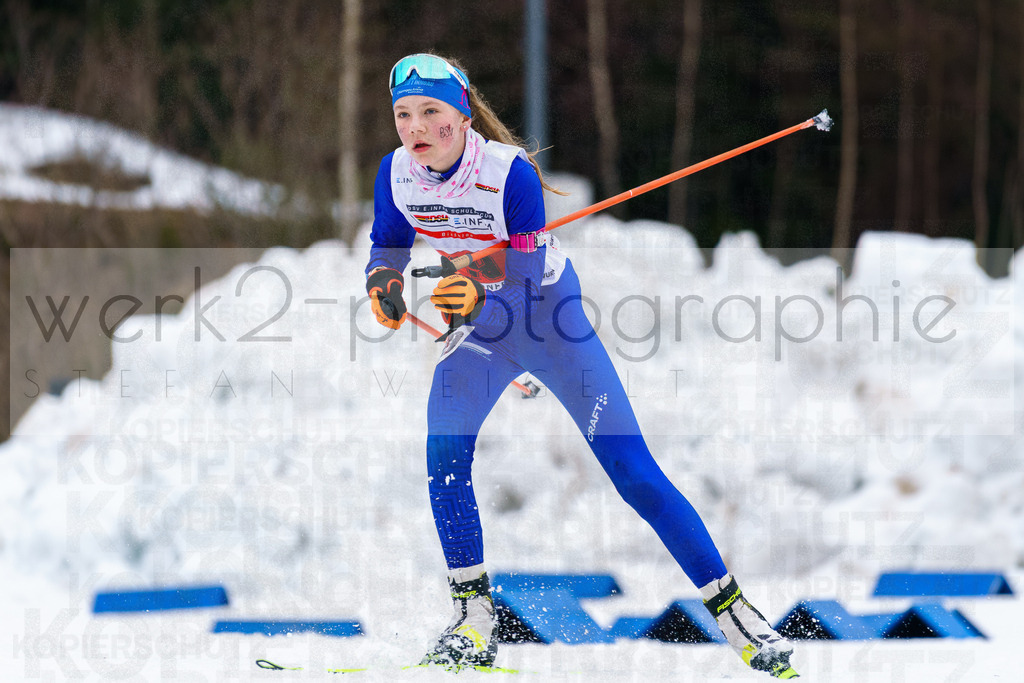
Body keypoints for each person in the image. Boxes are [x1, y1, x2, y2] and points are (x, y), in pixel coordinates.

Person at [364, 53, 798, 679]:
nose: (415, 127)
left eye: (431, 112)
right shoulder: (396, 172)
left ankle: (738, 618)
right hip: (483, 332)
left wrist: (478, 295)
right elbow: (388, 240)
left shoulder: (507, 174)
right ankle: (474, 622)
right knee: (443, 453)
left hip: (547, 321)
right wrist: (384, 283)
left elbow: (523, 275)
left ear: (462, 115)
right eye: (404, 115)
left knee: (633, 474)